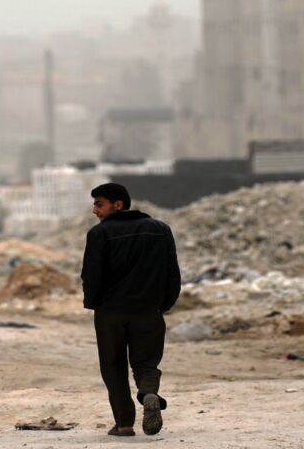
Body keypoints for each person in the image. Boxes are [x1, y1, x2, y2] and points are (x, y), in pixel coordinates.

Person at [80, 182, 181, 438]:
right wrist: (165, 303)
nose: (94, 210)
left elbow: (91, 275)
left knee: (113, 366)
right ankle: (148, 394)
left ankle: (124, 424)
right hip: (148, 310)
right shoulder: (160, 230)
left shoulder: (99, 234)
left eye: (99, 204)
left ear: (118, 205)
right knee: (146, 363)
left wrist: (93, 302)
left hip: (110, 313)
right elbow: (172, 272)